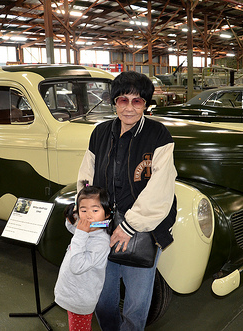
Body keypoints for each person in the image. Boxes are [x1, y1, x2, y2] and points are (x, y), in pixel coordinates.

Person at [77, 71, 177, 330]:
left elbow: (161, 187)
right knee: (102, 299)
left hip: (142, 231)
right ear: (114, 102)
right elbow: (86, 178)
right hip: (101, 229)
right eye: (123, 100)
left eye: (137, 101)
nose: (130, 108)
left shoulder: (159, 135)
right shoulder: (100, 133)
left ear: (145, 104)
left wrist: (130, 226)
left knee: (136, 304)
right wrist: (85, 214)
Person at [54, 184, 112, 331]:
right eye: (83, 210)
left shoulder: (101, 243)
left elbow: (77, 266)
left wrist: (80, 233)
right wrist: (72, 216)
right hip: (73, 293)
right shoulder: (88, 229)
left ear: (107, 214)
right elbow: (72, 227)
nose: (88, 215)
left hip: (80, 300)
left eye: (95, 210)